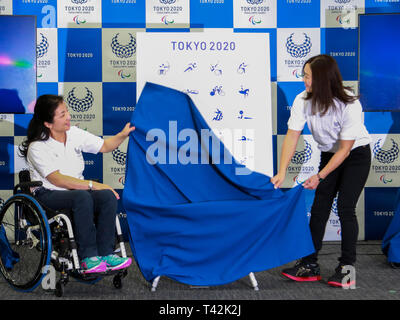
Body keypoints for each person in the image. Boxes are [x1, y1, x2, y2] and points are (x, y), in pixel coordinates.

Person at [271, 54, 371, 288]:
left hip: (355, 155)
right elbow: (293, 136)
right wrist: (282, 171)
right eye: (304, 75)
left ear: (324, 79)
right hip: (329, 154)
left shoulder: (349, 104)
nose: (304, 80)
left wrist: (319, 176)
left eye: (308, 76)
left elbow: (345, 149)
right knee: (319, 208)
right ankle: (309, 264)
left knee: (346, 208)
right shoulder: (302, 100)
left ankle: (347, 269)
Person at [19, 94, 135, 274]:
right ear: (48, 123)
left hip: (76, 192)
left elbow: (104, 146)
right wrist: (92, 185)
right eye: (62, 114)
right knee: (83, 196)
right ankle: (88, 257)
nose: (68, 117)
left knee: (106, 196)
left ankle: (105, 253)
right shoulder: (37, 147)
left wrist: (122, 135)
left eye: (67, 111)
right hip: (48, 194)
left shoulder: (74, 134)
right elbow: (57, 180)